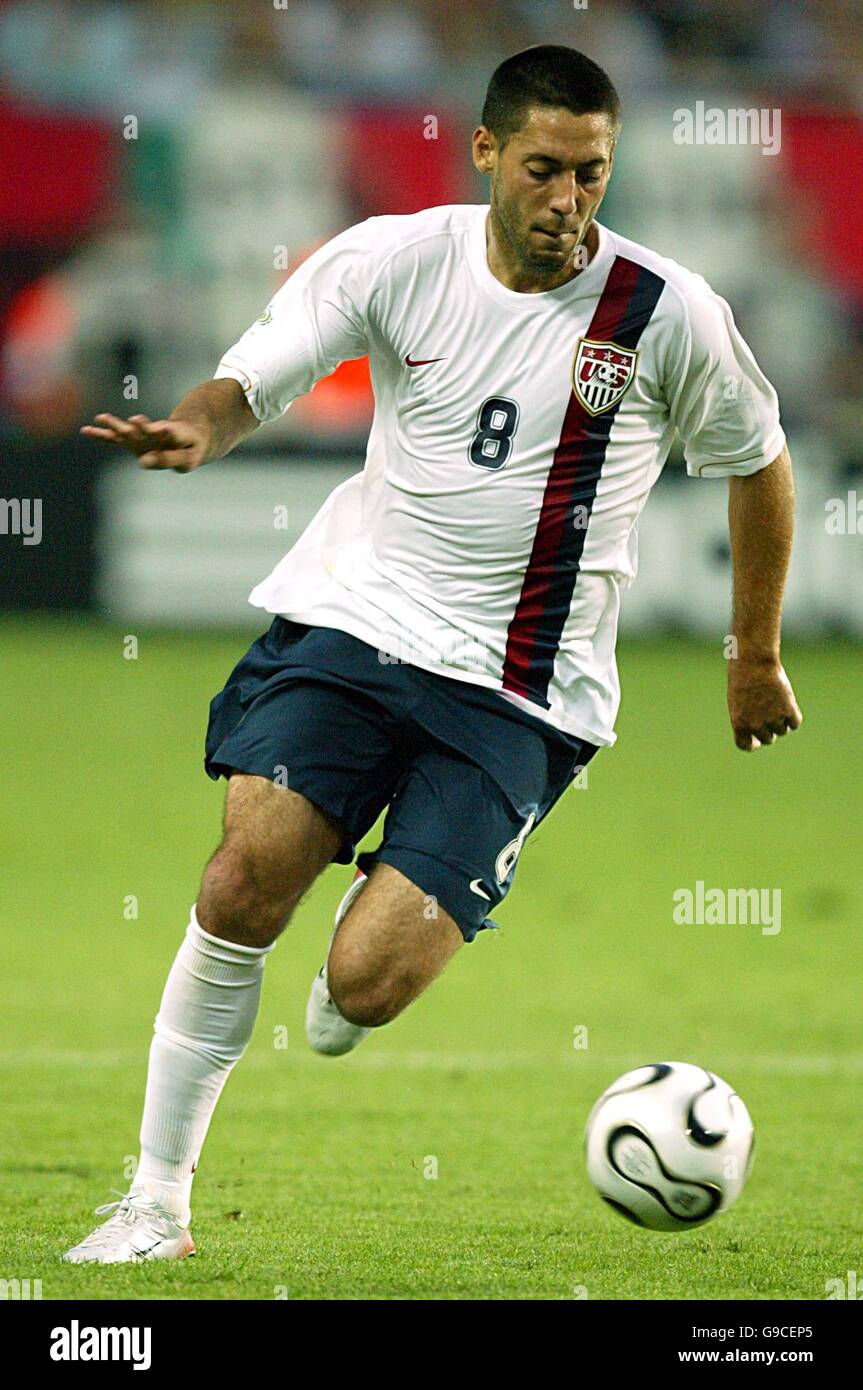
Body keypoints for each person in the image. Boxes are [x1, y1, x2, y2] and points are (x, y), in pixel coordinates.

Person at [65, 45, 801, 1263]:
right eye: (544, 169)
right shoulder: (396, 258)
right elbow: (256, 374)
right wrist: (196, 428)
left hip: (522, 693)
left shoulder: (664, 315)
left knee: (364, 986)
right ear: (484, 153)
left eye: (593, 173)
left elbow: (760, 459)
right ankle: (154, 1201)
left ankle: (366, 942)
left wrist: (752, 647)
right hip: (358, 625)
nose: (568, 200)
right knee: (244, 880)